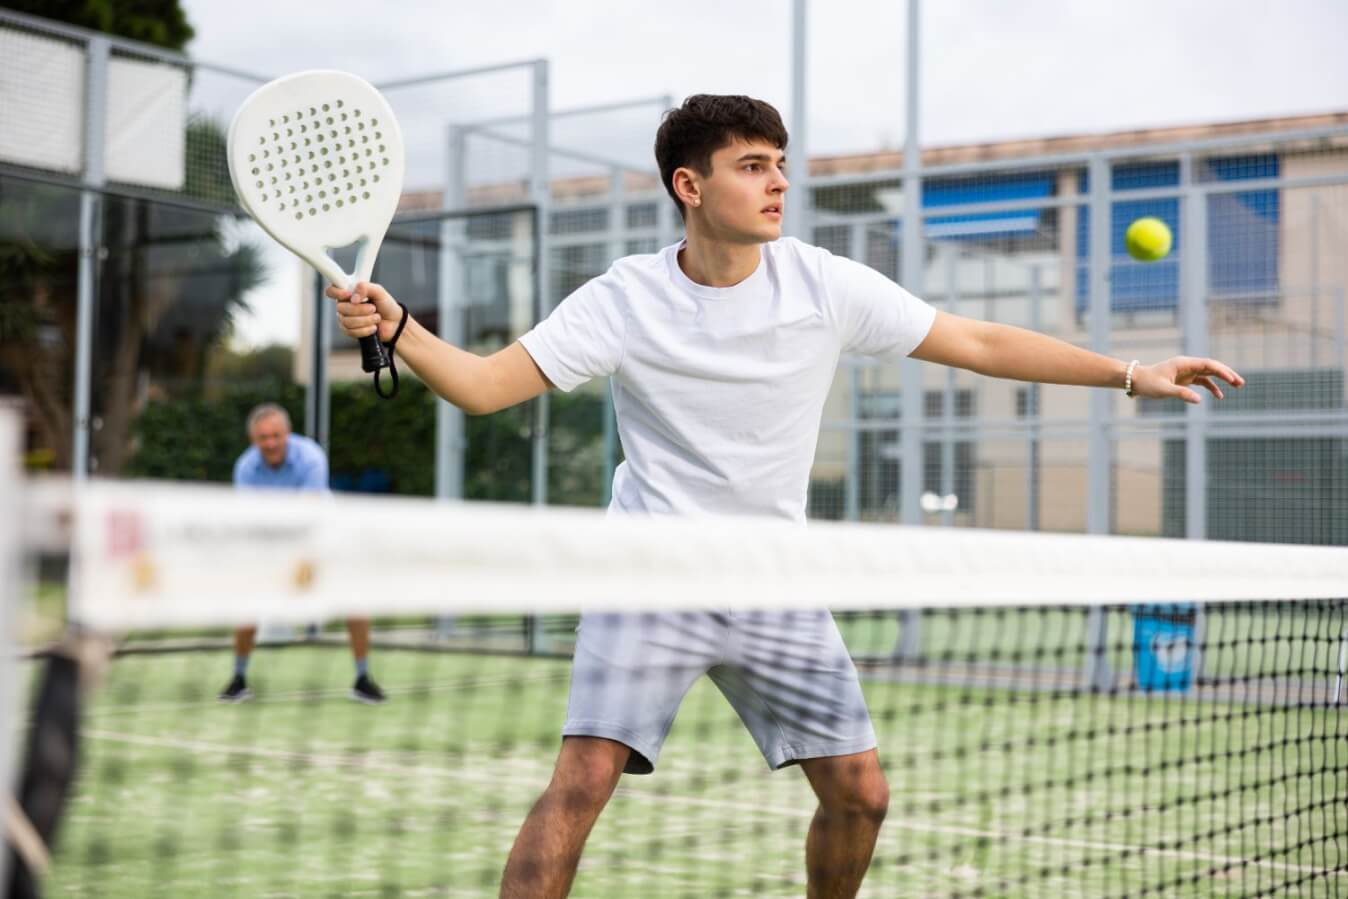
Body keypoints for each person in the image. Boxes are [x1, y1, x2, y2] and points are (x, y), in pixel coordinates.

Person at [327, 95, 1242, 898]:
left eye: (780, 166)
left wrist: (1131, 372)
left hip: (776, 580)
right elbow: (486, 386)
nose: (776, 184)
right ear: (690, 186)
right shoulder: (624, 298)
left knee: (862, 795)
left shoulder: (823, 284)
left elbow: (983, 342)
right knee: (580, 784)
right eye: (752, 166)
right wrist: (400, 325)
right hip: (651, 580)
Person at [217, 403, 387, 705]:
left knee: (356, 601)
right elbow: (250, 521)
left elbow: (308, 514)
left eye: (275, 435)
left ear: (288, 434)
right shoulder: (245, 468)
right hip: (271, 542)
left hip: (325, 537)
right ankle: (238, 679)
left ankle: (363, 679)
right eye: (262, 437)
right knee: (247, 606)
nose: (270, 443)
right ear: (253, 440)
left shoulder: (311, 457)